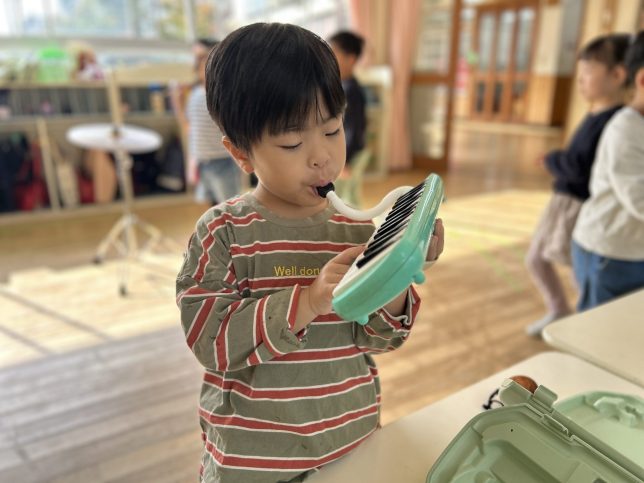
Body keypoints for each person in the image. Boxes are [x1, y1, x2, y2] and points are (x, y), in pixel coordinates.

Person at [176, 23, 444, 482]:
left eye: (332, 129)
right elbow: (209, 339)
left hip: (350, 443)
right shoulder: (223, 232)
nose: (321, 156)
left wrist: (399, 266)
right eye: (292, 143)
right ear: (241, 153)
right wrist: (307, 300)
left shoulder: (353, 230)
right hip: (254, 462)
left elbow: (381, 339)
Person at [524, 34, 630, 336]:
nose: (580, 79)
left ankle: (588, 319)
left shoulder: (615, 121)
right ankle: (559, 309)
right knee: (537, 258)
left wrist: (553, 160)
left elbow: (581, 167)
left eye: (588, 71)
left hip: (580, 207)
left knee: (578, 269)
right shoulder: (595, 113)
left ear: (617, 75)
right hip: (562, 201)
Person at [571, 30, 644, 312]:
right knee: (596, 325)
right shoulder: (625, 130)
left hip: (634, 249)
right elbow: (639, 198)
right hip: (608, 251)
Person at [170, 38, 241, 206]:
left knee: (229, 206)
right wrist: (178, 103)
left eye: (203, 58)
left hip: (222, 161)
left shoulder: (221, 93)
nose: (197, 63)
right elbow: (188, 128)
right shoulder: (194, 93)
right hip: (202, 161)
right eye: (196, 59)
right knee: (212, 206)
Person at [328, 31, 367, 171]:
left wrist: (344, 160)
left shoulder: (352, 92)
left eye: (333, 54)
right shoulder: (340, 86)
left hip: (344, 155)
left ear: (350, 59)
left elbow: (353, 131)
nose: (327, 59)